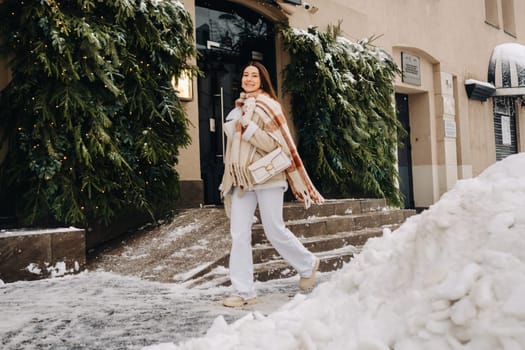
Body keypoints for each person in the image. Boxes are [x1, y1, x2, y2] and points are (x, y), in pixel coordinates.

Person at [220, 61, 325, 308]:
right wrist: (228, 177)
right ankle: (244, 292)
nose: (249, 78)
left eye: (254, 75)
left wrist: (249, 128)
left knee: (274, 229)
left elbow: (276, 146)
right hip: (243, 180)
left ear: (263, 80)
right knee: (239, 234)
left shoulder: (270, 106)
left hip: (267, 177)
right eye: (245, 74)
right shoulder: (237, 109)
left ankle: (308, 264)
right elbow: (233, 151)